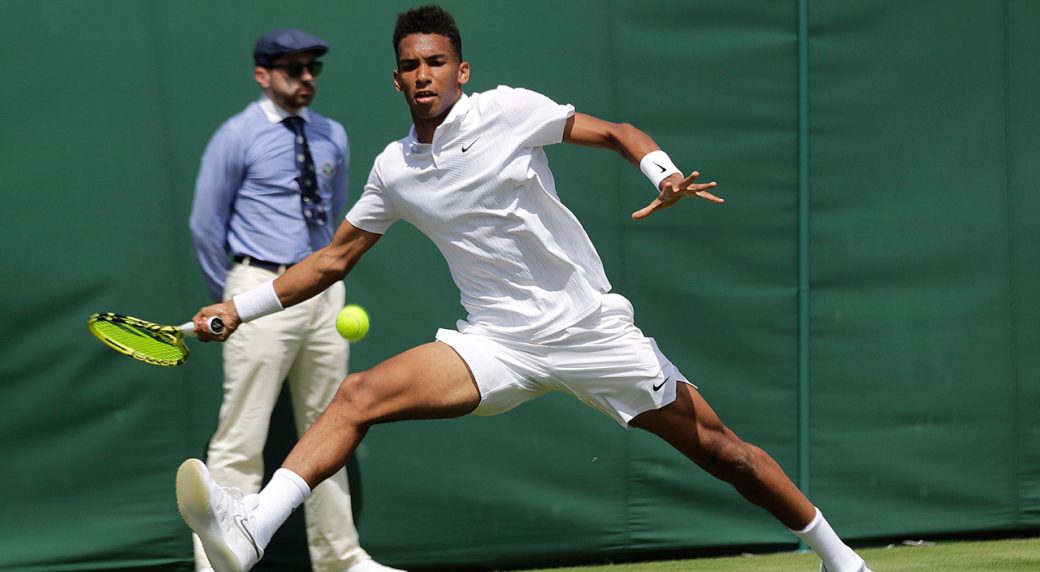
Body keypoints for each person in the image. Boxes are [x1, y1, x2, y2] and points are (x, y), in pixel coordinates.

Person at [178, 7, 874, 572]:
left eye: (436, 62)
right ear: (396, 79)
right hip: (497, 344)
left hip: (589, 331)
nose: (424, 75)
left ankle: (842, 560)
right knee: (357, 396)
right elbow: (332, 261)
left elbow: (617, 132)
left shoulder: (508, 112)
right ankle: (254, 530)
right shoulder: (395, 169)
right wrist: (239, 308)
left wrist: (661, 172)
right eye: (411, 66)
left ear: (461, 70)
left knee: (726, 453)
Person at [188, 28, 401, 572]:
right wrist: (231, 298)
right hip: (256, 289)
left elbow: (334, 219)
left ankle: (340, 559)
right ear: (263, 75)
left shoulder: (333, 135)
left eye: (313, 68)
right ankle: (215, 565)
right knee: (241, 435)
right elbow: (206, 225)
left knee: (332, 427)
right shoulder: (236, 136)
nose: (306, 78)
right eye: (293, 69)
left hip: (320, 293)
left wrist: (319, 279)